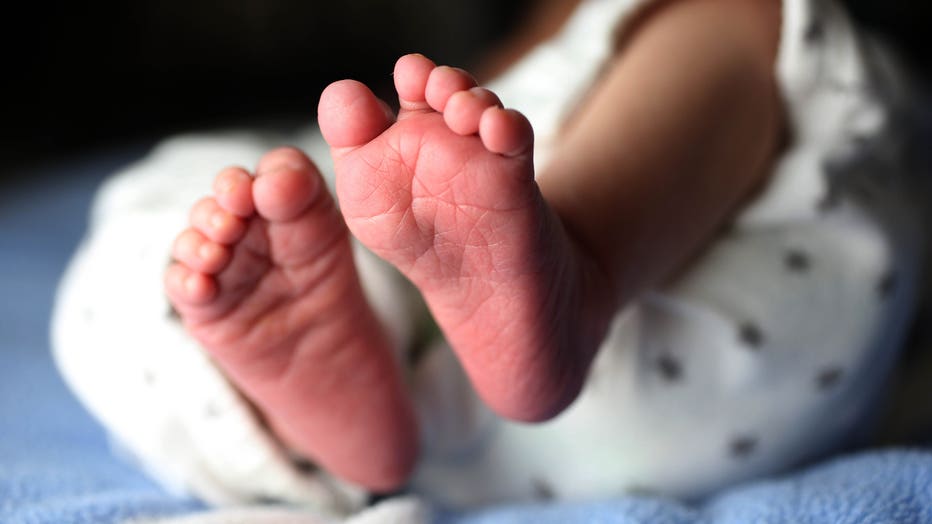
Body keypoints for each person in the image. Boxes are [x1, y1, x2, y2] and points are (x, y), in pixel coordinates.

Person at [53, 0, 926, 519]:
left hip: (666, 305)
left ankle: (575, 262)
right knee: (196, 209)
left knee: (741, 21)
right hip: (691, 407)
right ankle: (318, 420)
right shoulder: (470, 108)